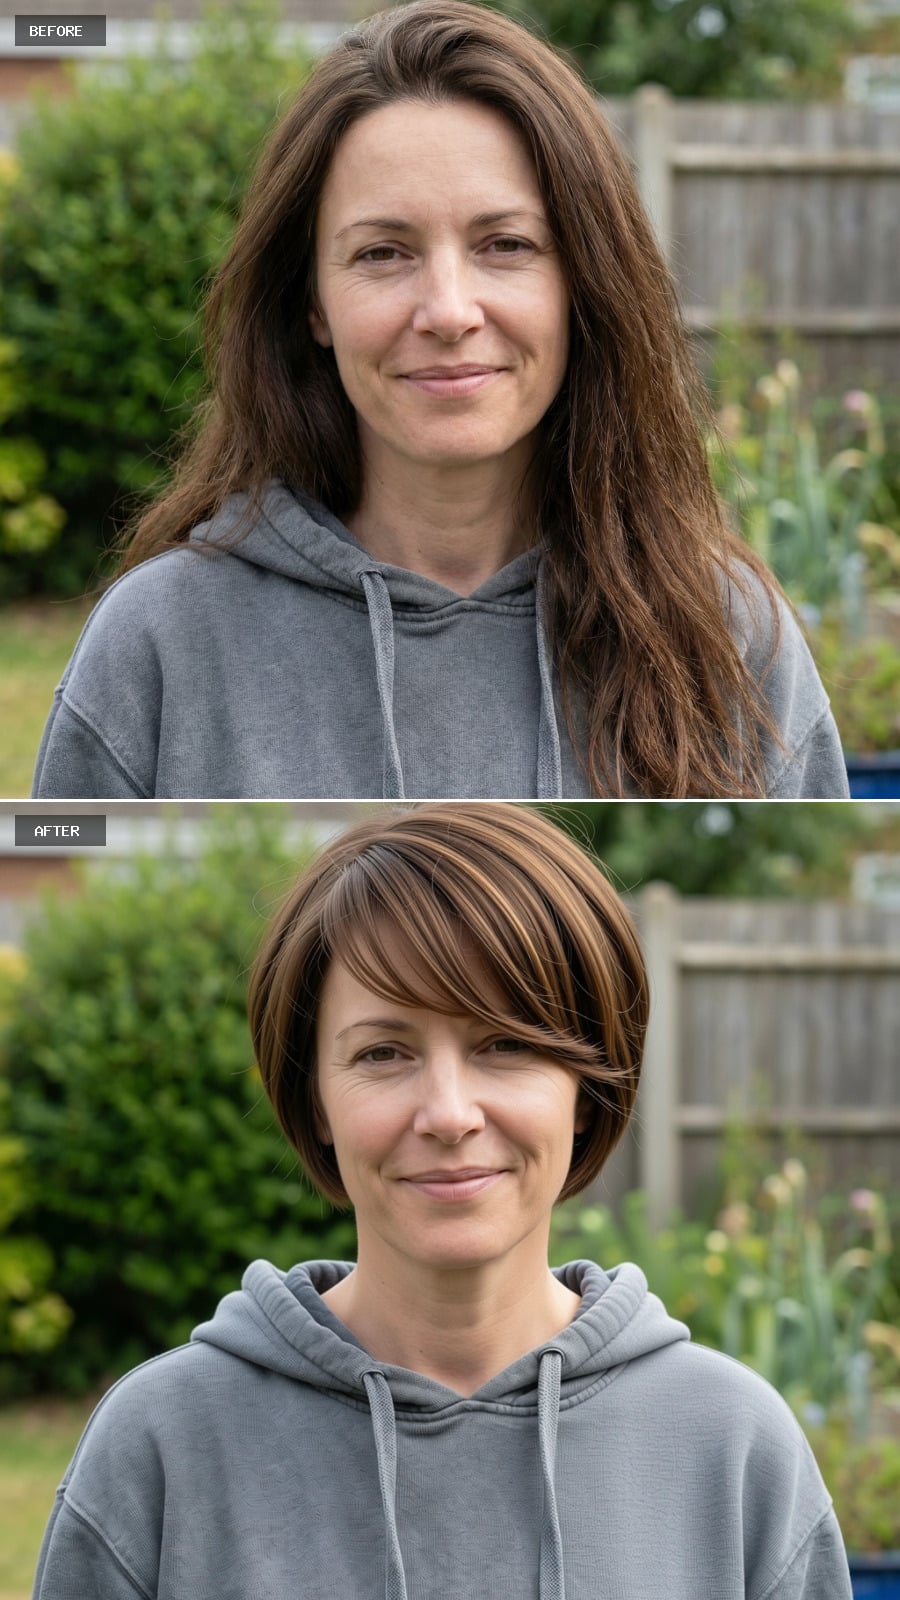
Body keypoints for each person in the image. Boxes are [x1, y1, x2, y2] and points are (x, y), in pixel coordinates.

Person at [33, 802, 853, 1599]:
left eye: (505, 1044)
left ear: (587, 1082)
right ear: (314, 1098)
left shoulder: (735, 1449)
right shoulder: (162, 1448)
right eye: (384, 1052)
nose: (450, 1114)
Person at [32, 1, 847, 801]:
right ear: (312, 301)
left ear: (583, 285)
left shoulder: (730, 636)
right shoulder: (160, 642)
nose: (450, 311)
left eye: (507, 245)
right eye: (383, 252)